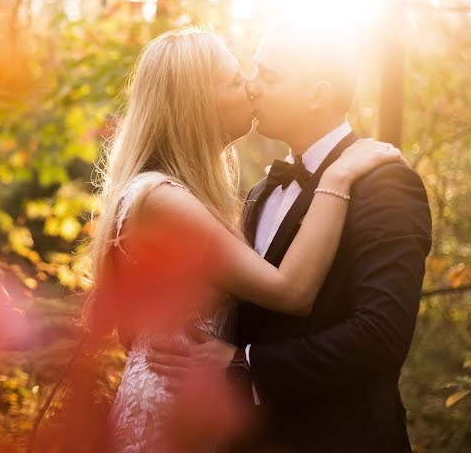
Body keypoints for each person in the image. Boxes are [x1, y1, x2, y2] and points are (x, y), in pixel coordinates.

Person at [84, 27, 406, 452]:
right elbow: (289, 293)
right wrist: (338, 175)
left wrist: (242, 365)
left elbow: (380, 334)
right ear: (198, 102)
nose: (252, 88)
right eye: (240, 78)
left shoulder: (383, 185)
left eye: (262, 77)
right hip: (169, 416)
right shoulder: (164, 198)